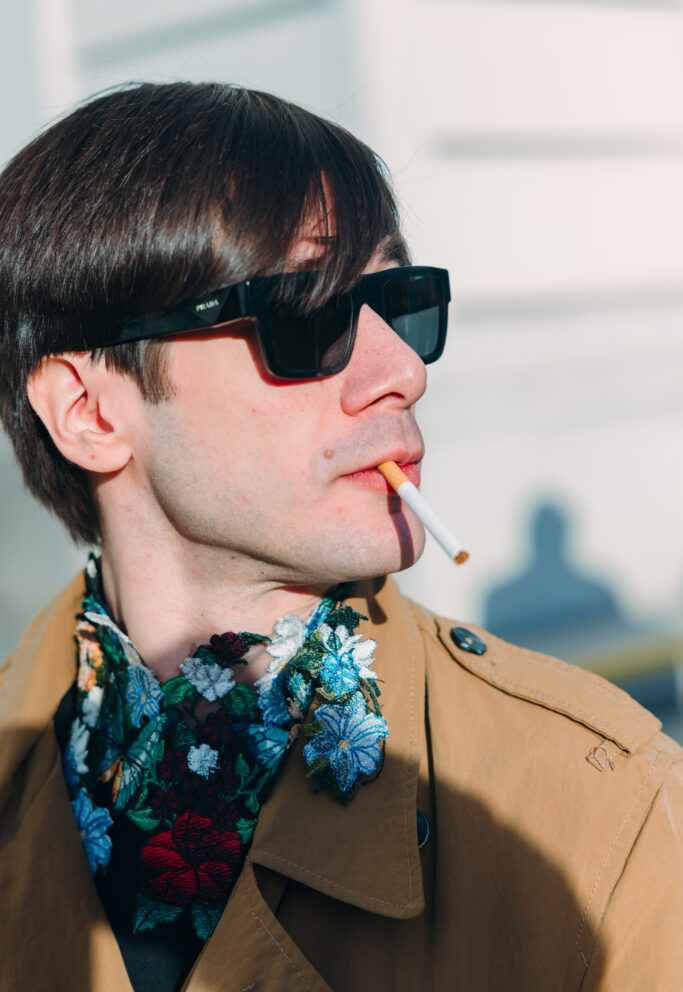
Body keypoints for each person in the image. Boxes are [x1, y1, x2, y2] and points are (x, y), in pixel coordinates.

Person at [0, 83, 680, 992]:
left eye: (396, 301)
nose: (400, 371)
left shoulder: (601, 808)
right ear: (86, 411)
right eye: (307, 313)